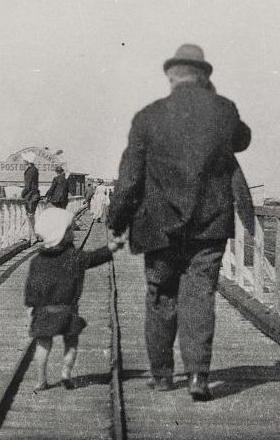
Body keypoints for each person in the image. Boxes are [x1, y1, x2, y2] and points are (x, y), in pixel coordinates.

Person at [107, 44, 251, 401]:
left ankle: (160, 376)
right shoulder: (223, 110)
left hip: (157, 226)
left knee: (160, 297)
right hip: (210, 225)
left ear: (171, 75)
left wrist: (117, 220)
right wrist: (213, 99)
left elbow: (130, 178)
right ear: (204, 76)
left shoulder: (148, 116)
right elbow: (242, 140)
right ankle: (198, 377)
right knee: (199, 297)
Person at [24, 206, 122, 391]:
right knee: (71, 343)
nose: (74, 231)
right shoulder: (74, 257)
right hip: (68, 311)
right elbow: (94, 258)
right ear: (60, 233)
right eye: (70, 229)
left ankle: (40, 379)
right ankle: (65, 374)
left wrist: (30, 308)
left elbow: (31, 288)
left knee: (43, 345)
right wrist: (112, 247)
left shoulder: (36, 261)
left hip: (43, 311)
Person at [21, 155, 40, 236]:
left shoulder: (30, 171)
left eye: (24, 159)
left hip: (31, 196)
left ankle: (33, 236)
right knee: (31, 216)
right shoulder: (34, 169)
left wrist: (22, 194)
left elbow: (28, 185)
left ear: (27, 161)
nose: (23, 161)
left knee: (30, 216)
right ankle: (34, 235)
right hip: (34, 194)